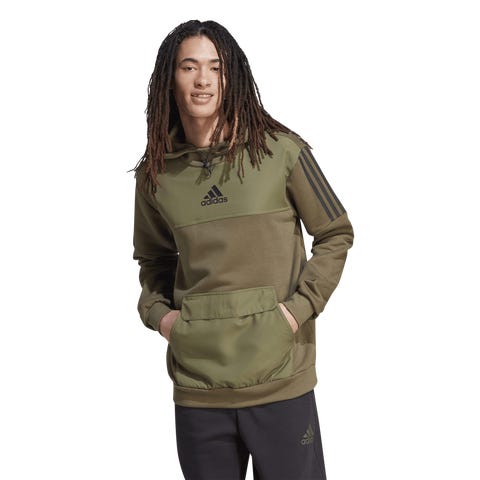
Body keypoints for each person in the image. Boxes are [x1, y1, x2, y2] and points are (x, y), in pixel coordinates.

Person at [131, 19, 354, 480]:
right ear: (169, 79)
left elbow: (336, 232)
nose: (203, 79)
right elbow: (153, 259)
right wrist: (163, 318)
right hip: (198, 389)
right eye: (189, 67)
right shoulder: (157, 175)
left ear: (231, 76)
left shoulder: (282, 152)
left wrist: (295, 312)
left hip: (281, 381)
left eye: (215, 67)